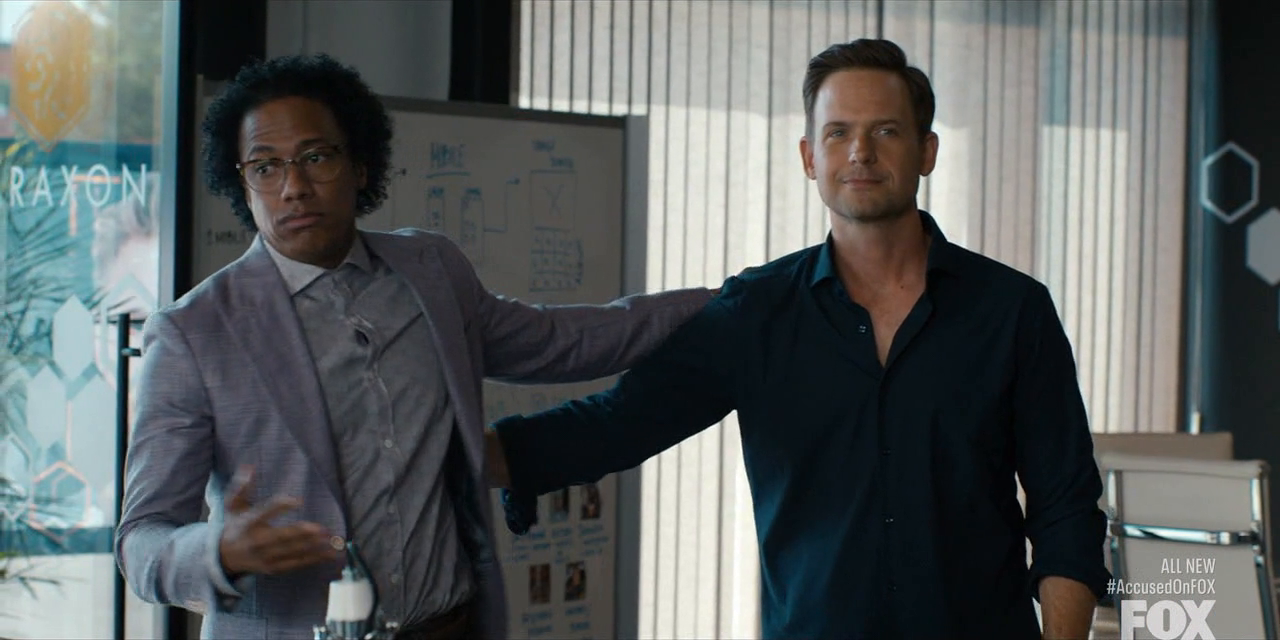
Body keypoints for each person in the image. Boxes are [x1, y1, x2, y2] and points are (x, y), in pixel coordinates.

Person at [490, 39, 1110, 639]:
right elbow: (621, 421)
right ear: (810, 157)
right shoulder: (756, 312)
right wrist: (459, 449)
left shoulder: (1012, 310)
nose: (860, 151)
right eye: (838, 132)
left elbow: (1065, 507)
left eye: (886, 130)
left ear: (926, 151)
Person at [113, 53, 715, 640]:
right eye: (265, 167)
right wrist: (218, 550)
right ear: (241, 183)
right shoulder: (195, 332)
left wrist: (728, 300)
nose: (293, 187)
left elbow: (563, 342)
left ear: (361, 166)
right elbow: (141, 542)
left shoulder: (430, 272)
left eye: (316, 157)